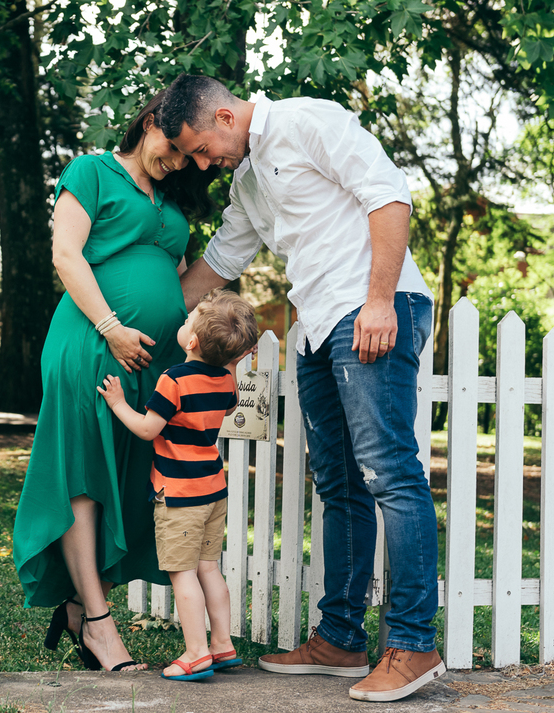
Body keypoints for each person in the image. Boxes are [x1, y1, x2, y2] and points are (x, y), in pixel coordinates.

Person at [158, 74, 444, 702]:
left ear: (224, 117)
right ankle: (340, 638)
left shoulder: (305, 120)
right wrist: (142, 315)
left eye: (201, 148)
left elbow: (388, 195)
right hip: (316, 326)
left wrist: (379, 301)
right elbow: (221, 262)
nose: (202, 163)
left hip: (368, 307)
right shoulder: (247, 181)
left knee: (391, 473)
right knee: (340, 484)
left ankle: (415, 644)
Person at [12, 90, 220, 672]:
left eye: (187, 157)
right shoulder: (92, 172)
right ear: (150, 122)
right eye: (172, 149)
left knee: (126, 476)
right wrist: (113, 328)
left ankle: (80, 607)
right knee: (84, 472)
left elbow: (177, 278)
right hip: (92, 343)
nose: (177, 163)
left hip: (151, 359)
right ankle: (101, 628)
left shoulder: (170, 201)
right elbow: (66, 255)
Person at [97, 289, 258, 682]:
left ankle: (197, 653)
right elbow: (232, 404)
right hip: (213, 491)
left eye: (188, 320)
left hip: (180, 495)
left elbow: (148, 429)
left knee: (183, 574)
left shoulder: (173, 380)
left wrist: (118, 404)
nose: (183, 321)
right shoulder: (226, 381)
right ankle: (222, 644)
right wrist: (232, 363)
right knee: (209, 569)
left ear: (192, 341)